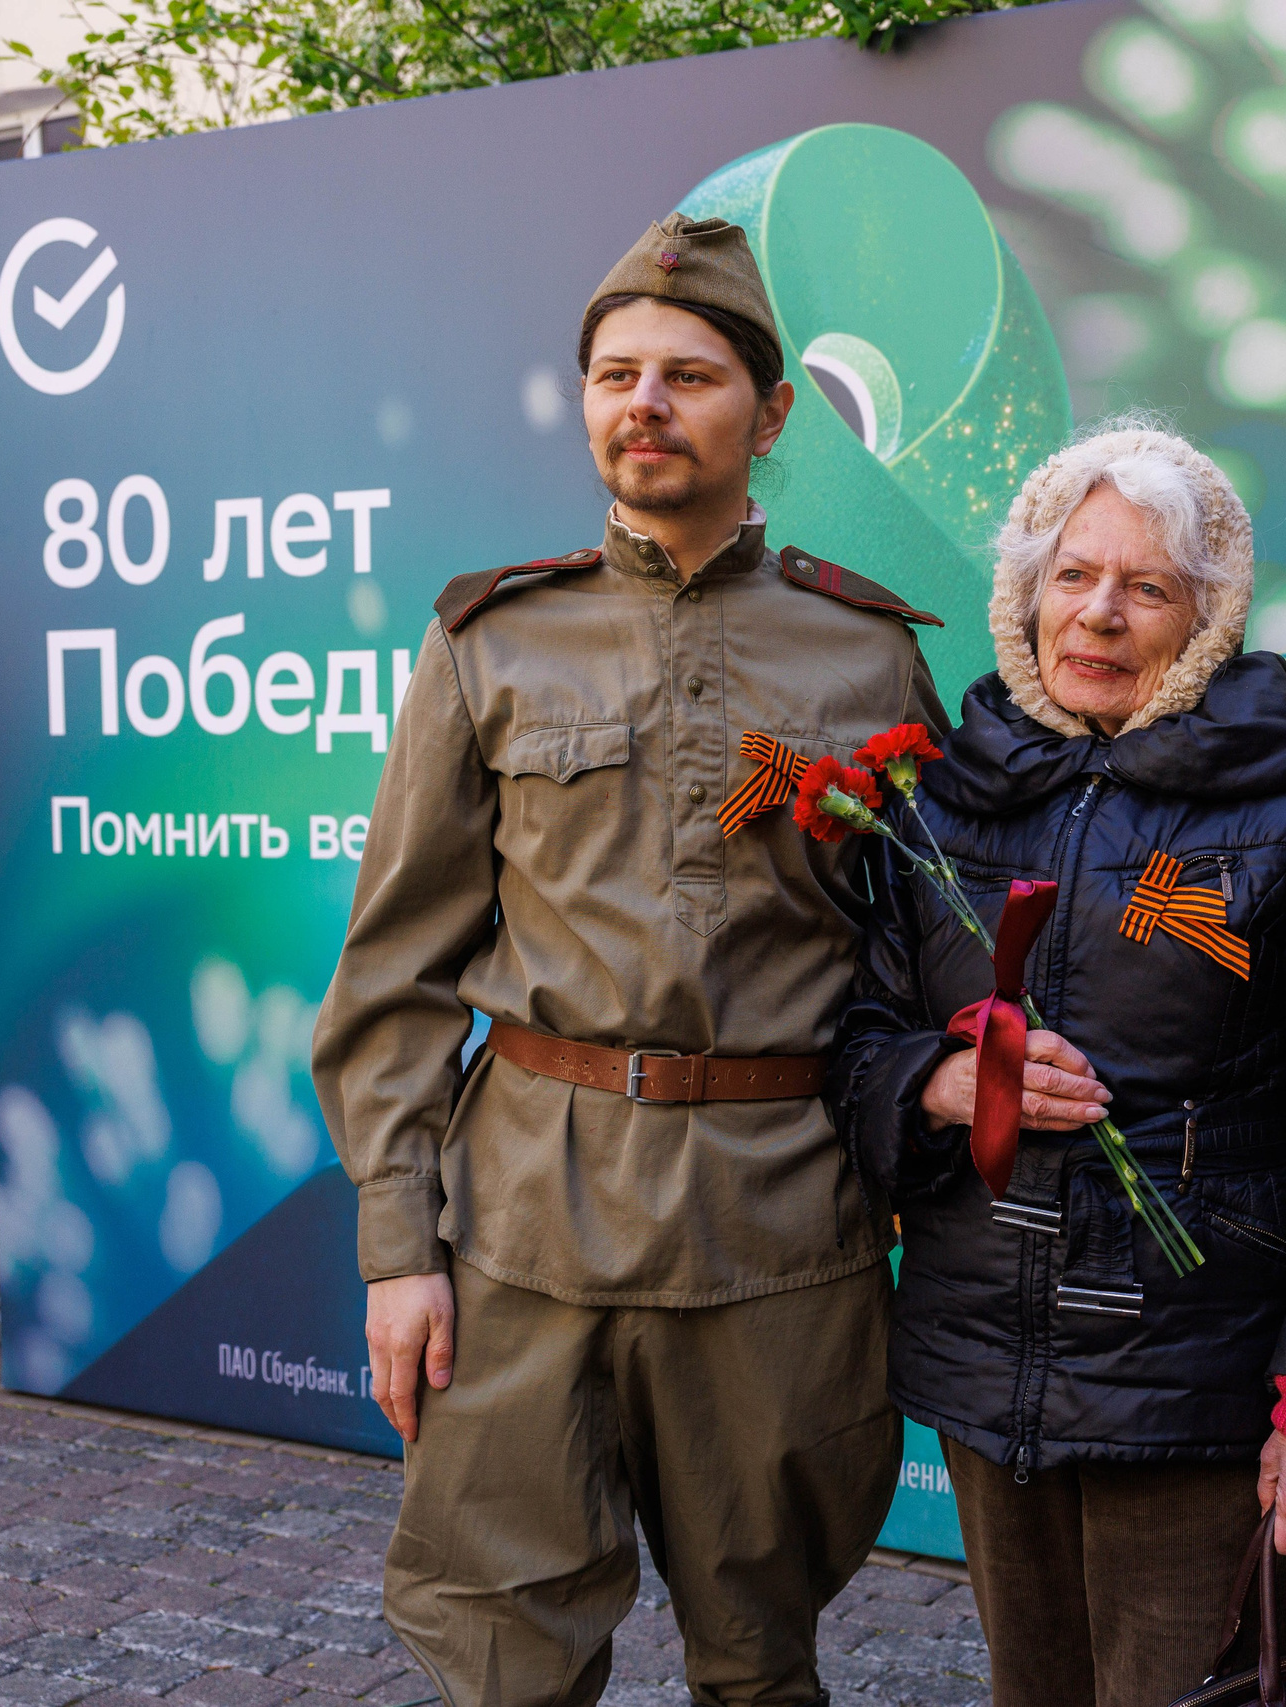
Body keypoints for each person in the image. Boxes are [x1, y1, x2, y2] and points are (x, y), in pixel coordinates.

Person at [309, 211, 949, 1707]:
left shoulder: (869, 655)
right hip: (527, 1220)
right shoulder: (494, 640)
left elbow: (916, 961)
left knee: (762, 1653)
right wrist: (400, 1245)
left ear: (772, 414)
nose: (644, 401)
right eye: (615, 373)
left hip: (778, 1221)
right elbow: (395, 971)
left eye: (688, 373)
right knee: (504, 1652)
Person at [833, 422, 1286, 1707]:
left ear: (1205, 616)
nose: (1099, 615)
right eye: (1072, 575)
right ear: (1025, 592)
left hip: (1192, 1374)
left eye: (1146, 588)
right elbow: (858, 1042)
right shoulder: (939, 792)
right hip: (989, 1353)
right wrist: (938, 1081)